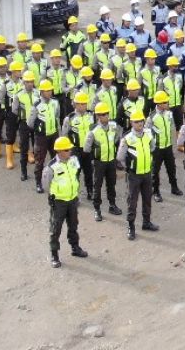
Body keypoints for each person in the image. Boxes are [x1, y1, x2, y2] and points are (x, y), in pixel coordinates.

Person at [44, 136, 88, 268]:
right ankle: (54, 255)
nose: (70, 151)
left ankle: (75, 248)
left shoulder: (73, 160)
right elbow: (46, 184)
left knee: (73, 225)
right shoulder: (52, 167)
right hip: (59, 202)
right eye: (67, 149)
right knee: (55, 229)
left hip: (72, 200)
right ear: (59, 151)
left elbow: (76, 175)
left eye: (70, 149)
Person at [120, 109, 158, 240]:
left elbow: (153, 147)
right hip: (134, 175)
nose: (140, 123)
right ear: (131, 123)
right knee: (132, 201)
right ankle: (131, 227)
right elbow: (120, 157)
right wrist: (130, 168)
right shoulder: (127, 138)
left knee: (147, 199)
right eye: (136, 121)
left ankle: (146, 222)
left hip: (147, 173)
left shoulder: (148, 133)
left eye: (141, 121)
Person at [83, 103, 123, 221]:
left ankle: (112, 205)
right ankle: (97, 209)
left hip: (111, 161)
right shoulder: (93, 131)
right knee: (98, 185)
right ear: (98, 116)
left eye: (107, 114)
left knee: (111, 184)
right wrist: (94, 156)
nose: (106, 116)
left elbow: (119, 136)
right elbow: (86, 148)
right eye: (103, 114)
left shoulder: (113, 126)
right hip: (99, 162)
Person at [147, 91, 181, 202]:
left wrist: (173, 142)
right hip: (157, 149)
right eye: (165, 101)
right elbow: (147, 133)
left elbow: (172, 127)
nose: (167, 103)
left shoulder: (169, 114)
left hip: (168, 147)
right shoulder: (152, 117)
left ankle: (174, 187)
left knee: (172, 168)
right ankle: (156, 192)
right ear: (159, 104)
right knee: (155, 171)